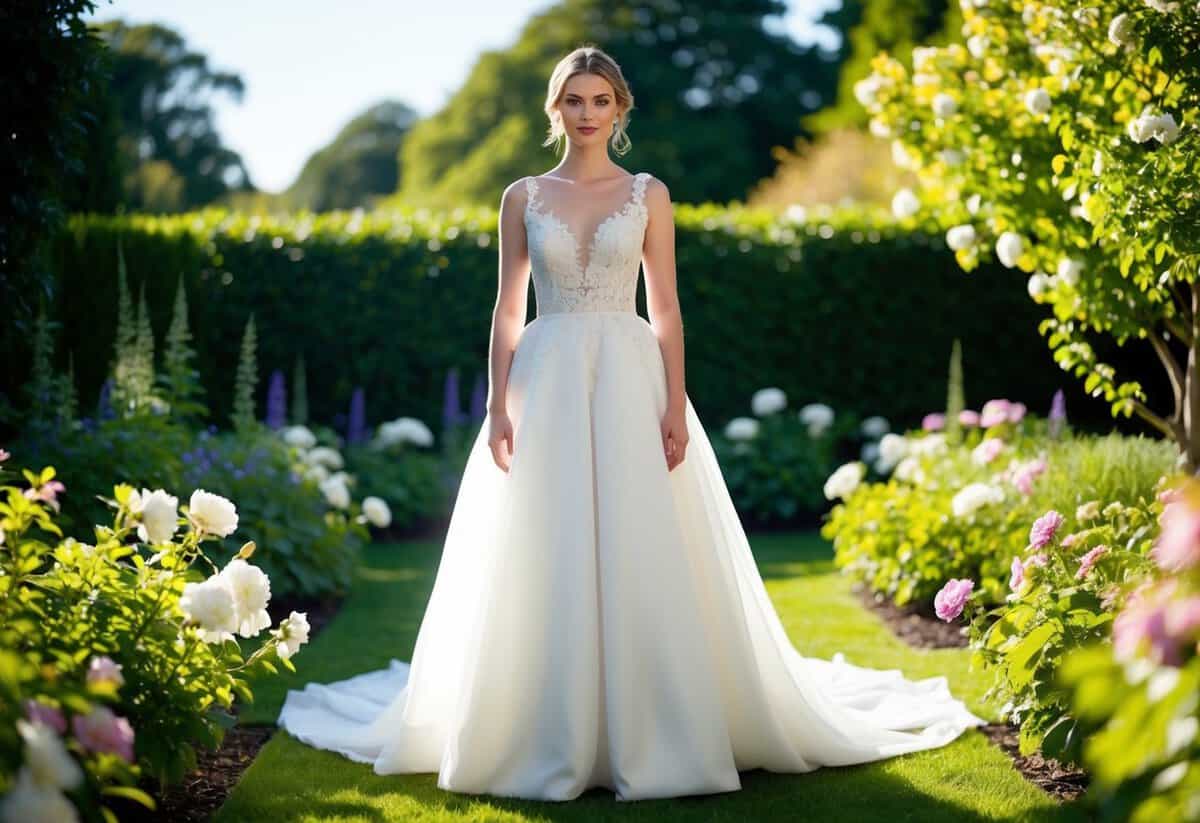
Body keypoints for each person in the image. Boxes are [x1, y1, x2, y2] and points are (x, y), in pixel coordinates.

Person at [277, 44, 986, 803]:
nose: (586, 114)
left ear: (619, 109)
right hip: (546, 380)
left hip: (629, 374)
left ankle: (658, 727)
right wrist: (495, 401)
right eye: (573, 101)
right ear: (555, 110)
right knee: (544, 541)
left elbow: (667, 305)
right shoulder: (521, 196)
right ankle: (542, 727)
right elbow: (508, 308)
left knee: (641, 536)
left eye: (600, 100)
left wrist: (674, 403)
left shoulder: (650, 193)